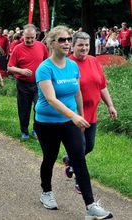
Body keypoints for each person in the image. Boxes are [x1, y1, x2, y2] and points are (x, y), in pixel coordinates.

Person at [34, 25, 113, 220]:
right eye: (62, 40)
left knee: (79, 159)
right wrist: (74, 116)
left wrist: (81, 114)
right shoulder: (44, 68)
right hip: (47, 122)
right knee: (50, 158)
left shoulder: (72, 66)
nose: (67, 43)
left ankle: (90, 206)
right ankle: (46, 192)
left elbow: (76, 91)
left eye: (69, 39)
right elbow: (51, 99)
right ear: (52, 43)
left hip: (70, 121)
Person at [63, 32, 117, 193]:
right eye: (80, 45)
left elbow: (102, 85)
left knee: (89, 146)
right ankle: (81, 182)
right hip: (74, 115)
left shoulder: (94, 61)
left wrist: (110, 105)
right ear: (72, 46)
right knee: (80, 148)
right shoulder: (67, 64)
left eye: (87, 45)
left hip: (91, 113)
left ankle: (69, 160)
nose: (84, 48)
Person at [8, 24, 48, 139]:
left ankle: (36, 129)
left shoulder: (41, 47)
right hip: (23, 84)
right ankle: (24, 131)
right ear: (23, 36)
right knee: (24, 109)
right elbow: (10, 67)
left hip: (39, 84)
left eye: (32, 38)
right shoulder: (18, 49)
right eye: (27, 38)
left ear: (36, 36)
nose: (30, 40)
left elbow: (47, 63)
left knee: (39, 107)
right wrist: (21, 71)